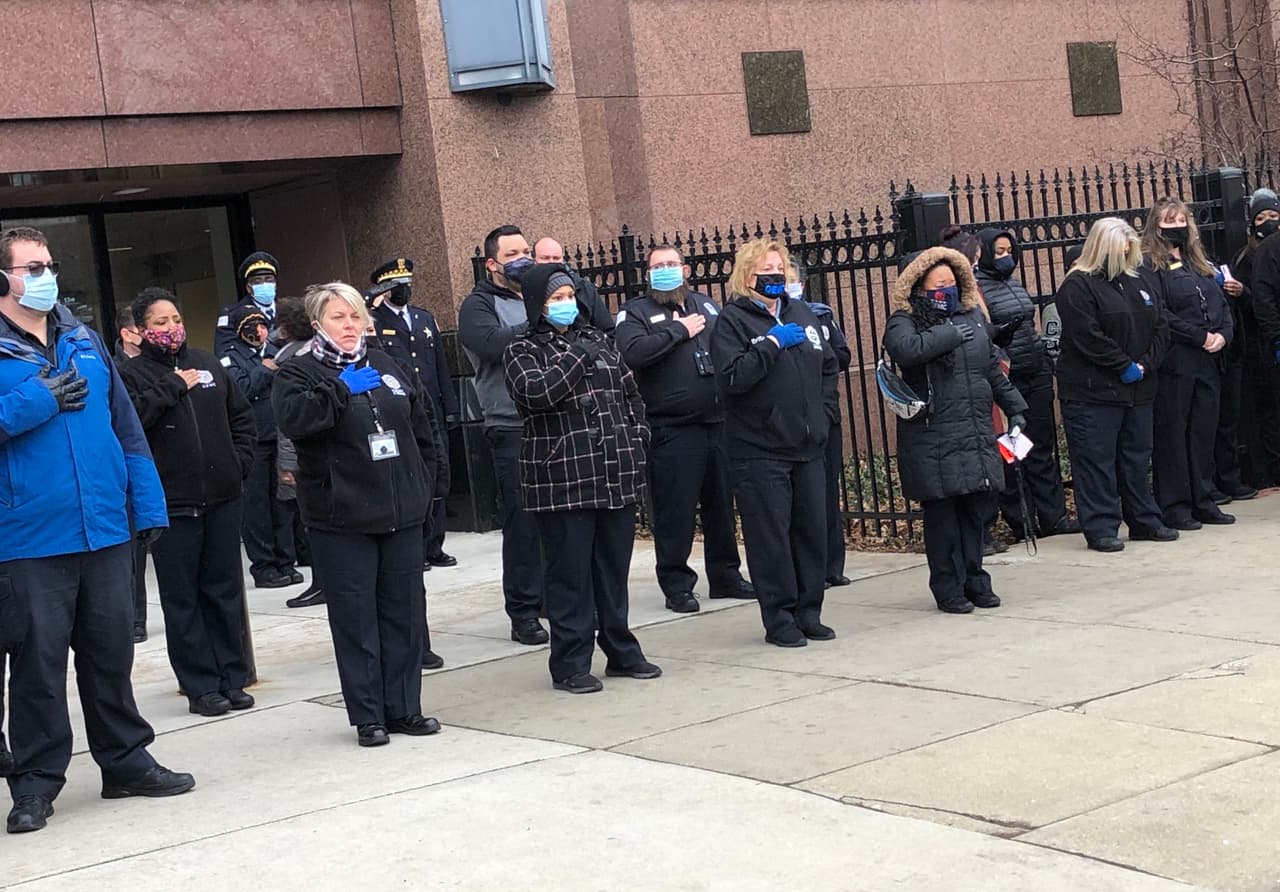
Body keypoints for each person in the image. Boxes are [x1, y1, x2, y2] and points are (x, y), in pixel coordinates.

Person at [0, 226, 194, 834]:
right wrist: (37, 400)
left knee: (110, 655)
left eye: (49, 264)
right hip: (29, 535)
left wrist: (148, 503)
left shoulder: (82, 336)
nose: (45, 275)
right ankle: (35, 781)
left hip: (106, 527)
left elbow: (125, 425)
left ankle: (125, 761)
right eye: (33, 266)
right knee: (38, 664)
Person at [272, 283, 446, 746]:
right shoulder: (299, 372)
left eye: (353, 317)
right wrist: (337, 390)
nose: (348, 326)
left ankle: (404, 707)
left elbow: (421, 425)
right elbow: (295, 421)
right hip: (341, 518)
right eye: (336, 318)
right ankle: (368, 715)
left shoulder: (385, 363)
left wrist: (426, 486)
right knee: (356, 618)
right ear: (317, 325)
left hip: (400, 512)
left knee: (404, 614)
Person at [504, 264, 660, 693]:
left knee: (612, 570)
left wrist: (637, 436)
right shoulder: (521, 349)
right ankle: (571, 662)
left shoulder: (598, 340)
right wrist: (576, 357)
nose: (566, 304)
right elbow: (537, 394)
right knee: (570, 575)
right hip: (562, 478)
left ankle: (621, 650)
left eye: (570, 296)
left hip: (615, 471)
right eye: (556, 298)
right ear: (538, 304)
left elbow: (630, 393)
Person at [119, 289, 257, 717]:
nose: (171, 328)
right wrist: (172, 387)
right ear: (140, 331)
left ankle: (232, 678)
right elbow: (132, 423)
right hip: (172, 505)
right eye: (159, 322)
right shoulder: (131, 374)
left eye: (175, 318)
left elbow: (240, 419)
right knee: (184, 599)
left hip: (221, 496)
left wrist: (239, 464)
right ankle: (200, 686)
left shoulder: (209, 362)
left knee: (225, 591)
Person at [882, 247, 1028, 613]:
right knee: (944, 517)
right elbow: (905, 349)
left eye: (951, 282)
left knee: (976, 513)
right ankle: (949, 587)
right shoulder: (906, 318)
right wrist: (948, 334)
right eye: (938, 284)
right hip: (935, 435)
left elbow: (991, 367)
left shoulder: (972, 315)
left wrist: (1015, 408)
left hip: (975, 429)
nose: (945, 290)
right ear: (919, 286)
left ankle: (976, 580)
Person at [710, 239, 838, 646]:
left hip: (808, 445)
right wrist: (770, 344)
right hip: (760, 449)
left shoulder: (801, 312)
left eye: (779, 268)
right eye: (766, 270)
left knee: (811, 533)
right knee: (771, 539)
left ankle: (808, 610)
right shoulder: (733, 321)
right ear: (747, 277)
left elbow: (829, 365)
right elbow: (732, 378)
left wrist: (825, 412)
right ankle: (779, 618)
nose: (775, 276)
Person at [615, 245, 754, 613]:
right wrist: (677, 330)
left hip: (718, 423)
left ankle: (726, 576)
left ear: (685, 268)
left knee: (721, 507)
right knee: (675, 511)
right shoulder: (635, 312)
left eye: (671, 264)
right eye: (657, 266)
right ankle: (677, 584)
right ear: (648, 273)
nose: (665, 270)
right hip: (672, 428)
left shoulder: (706, 305)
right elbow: (633, 353)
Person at [1055, 217, 1176, 552]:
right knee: (1097, 462)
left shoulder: (1139, 281)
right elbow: (1086, 335)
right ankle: (1102, 526)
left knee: (1137, 459)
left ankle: (1144, 519)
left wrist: (1145, 364)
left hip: (1138, 389)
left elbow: (1161, 326)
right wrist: (1122, 365)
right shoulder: (1077, 286)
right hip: (1093, 392)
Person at [458, 226, 549, 645]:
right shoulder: (478, 305)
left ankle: (555, 597)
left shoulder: (544, 294)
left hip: (554, 419)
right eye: (513, 253)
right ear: (492, 263)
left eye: (527, 251)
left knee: (558, 519)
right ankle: (525, 611)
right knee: (523, 520)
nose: (523, 259)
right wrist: (540, 323)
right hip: (510, 423)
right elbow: (491, 345)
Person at [974, 228, 1077, 539]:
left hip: (1036, 372)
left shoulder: (1014, 283)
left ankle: (1053, 516)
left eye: (1009, 251)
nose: (1006, 257)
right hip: (1009, 379)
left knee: (1042, 448)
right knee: (1012, 452)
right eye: (999, 252)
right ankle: (1022, 520)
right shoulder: (978, 288)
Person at [1141, 197, 1235, 528]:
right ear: (1157, 225)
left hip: (1209, 361)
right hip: (1176, 361)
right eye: (1170, 220)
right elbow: (1159, 313)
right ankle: (1176, 504)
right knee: (1173, 434)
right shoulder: (1150, 266)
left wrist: (1223, 333)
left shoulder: (1199, 262)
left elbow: (1220, 302)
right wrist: (1198, 336)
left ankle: (1204, 498)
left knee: (1203, 432)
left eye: (1182, 220)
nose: (1177, 226)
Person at [365, 258, 459, 571]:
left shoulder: (423, 318)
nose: (404, 289)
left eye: (407, 283)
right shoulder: (374, 320)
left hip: (431, 406)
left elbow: (440, 366)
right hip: (403, 411)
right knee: (413, 477)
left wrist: (451, 406)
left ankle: (435, 543)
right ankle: (416, 545)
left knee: (438, 474)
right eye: (397, 285)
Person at [219, 297, 298, 588]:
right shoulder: (231, 356)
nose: (260, 331)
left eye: (263, 325)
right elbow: (240, 389)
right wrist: (264, 369)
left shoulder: (276, 350)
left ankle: (286, 561)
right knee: (257, 507)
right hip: (254, 440)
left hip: (280, 436)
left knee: (283, 502)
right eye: (252, 326)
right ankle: (264, 566)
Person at [787, 269, 855, 588]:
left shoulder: (821, 317)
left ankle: (832, 565)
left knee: (827, 493)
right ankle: (807, 569)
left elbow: (841, 357)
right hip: (791, 422)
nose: (788, 285)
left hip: (825, 416)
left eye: (792, 279)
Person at [274, 297, 325, 609]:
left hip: (306, 460)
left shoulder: (292, 364)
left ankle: (322, 583)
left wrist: (287, 464)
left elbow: (287, 423)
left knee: (313, 523)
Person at [1229, 189, 1280, 489]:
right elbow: (1262, 302)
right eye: (1261, 218)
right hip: (1261, 344)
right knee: (1269, 412)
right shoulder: (1248, 257)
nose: (1268, 222)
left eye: (1273, 216)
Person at [113, 312, 151, 643]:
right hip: (122, 475)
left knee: (140, 548)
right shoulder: (115, 369)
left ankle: (139, 617)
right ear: (128, 334)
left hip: (152, 467)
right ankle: (132, 618)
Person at [533, 236, 619, 330]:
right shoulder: (528, 289)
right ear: (534, 260)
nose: (551, 262)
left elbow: (607, 328)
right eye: (545, 258)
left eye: (556, 258)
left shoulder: (584, 288)